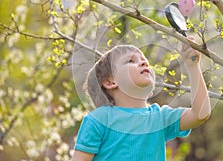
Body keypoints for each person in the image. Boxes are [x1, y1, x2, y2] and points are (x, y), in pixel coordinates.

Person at [72, 37, 211, 161]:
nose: (144, 63)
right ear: (110, 81)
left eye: (145, 61)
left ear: (150, 92)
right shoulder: (99, 120)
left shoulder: (160, 117)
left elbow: (200, 114)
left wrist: (193, 66)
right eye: (131, 61)